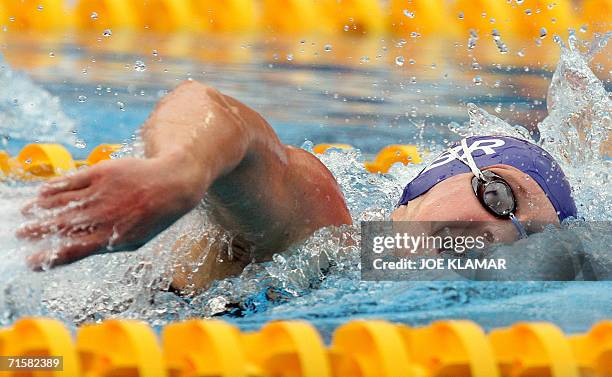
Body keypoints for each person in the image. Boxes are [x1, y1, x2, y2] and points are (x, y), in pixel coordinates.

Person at [16, 81, 577, 291]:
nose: (500, 235)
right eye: (499, 197)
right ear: (426, 189)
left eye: (529, 241)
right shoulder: (322, 227)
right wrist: (176, 175)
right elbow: (216, 113)